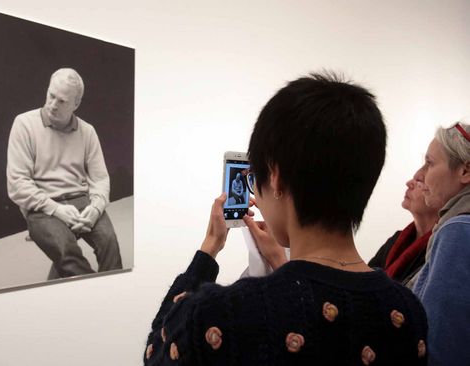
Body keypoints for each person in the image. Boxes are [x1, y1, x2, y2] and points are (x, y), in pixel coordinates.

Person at [143, 73, 427, 365]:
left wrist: (210, 247)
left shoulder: (220, 315)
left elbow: (156, 353)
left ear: (275, 177)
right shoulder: (407, 311)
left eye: (255, 178)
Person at [7, 68, 122, 279]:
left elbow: (100, 178)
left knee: (110, 245)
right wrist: (57, 209)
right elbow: (17, 183)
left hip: (82, 202)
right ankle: (94, 300)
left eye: (62, 101)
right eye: (51, 96)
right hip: (43, 207)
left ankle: (111, 295)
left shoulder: (87, 131)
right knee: (68, 253)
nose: (52, 104)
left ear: (76, 104)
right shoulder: (23, 124)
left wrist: (95, 208)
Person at [411, 122, 470, 365]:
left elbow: (441, 348)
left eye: (430, 163)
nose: (419, 175)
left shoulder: (458, 232)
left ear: (466, 171)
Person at [368, 173, 438, 286]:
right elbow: (366, 278)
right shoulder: (396, 239)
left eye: (421, 181)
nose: (409, 183)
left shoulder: (439, 247)